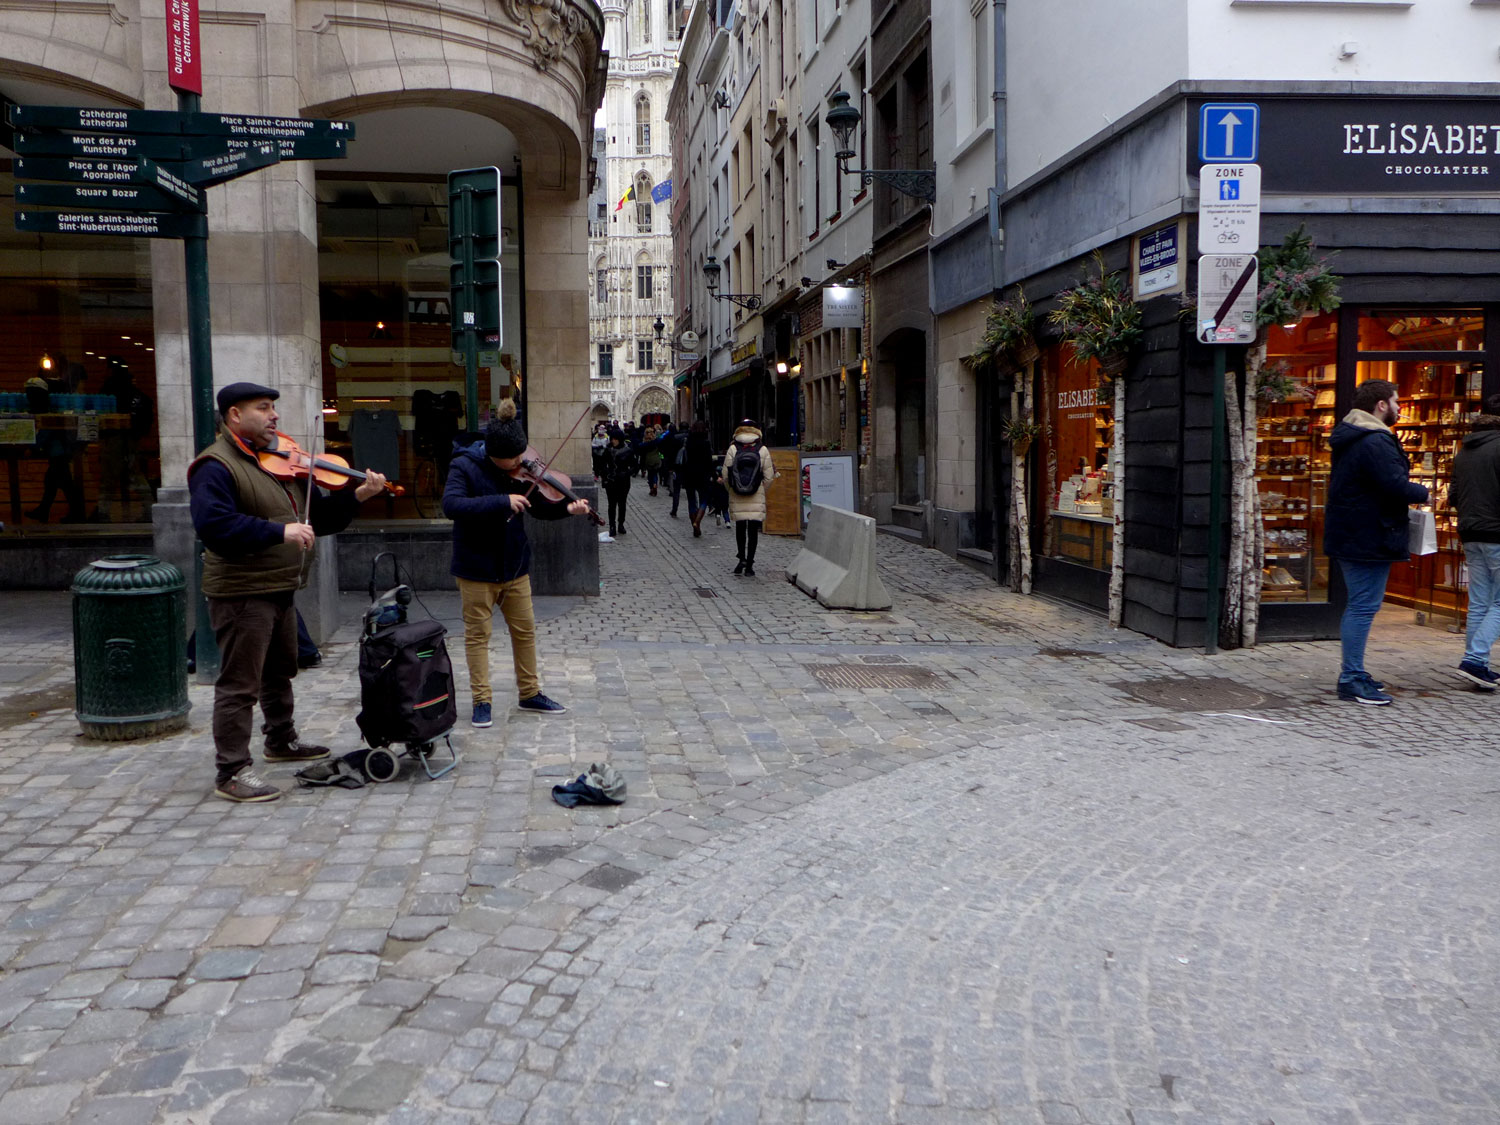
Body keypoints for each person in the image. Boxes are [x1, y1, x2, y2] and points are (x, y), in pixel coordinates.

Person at [189, 381, 389, 802]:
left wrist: (357, 496)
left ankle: (280, 740)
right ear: (234, 416)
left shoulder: (280, 461)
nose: (274, 416)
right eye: (263, 408)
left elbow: (320, 521)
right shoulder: (215, 466)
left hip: (280, 586)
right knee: (239, 684)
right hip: (243, 591)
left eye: (273, 409)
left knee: (280, 670)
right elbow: (215, 528)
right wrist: (280, 531)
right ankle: (231, 771)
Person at [442, 397, 590, 728]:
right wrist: (501, 501)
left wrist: (567, 509)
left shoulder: (520, 468)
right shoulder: (463, 466)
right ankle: (482, 700)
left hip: (515, 566)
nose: (522, 463)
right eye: (515, 459)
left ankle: (530, 693)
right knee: (477, 637)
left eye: (523, 455)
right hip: (475, 569)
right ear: (495, 455)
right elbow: (452, 506)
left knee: (525, 633)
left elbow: (538, 506)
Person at [1323, 378, 1429, 705]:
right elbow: (1393, 484)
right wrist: (1423, 492)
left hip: (1358, 531)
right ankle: (1352, 678)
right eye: (1396, 402)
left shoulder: (1354, 436)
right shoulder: (1374, 440)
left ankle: (1354, 672)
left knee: (1362, 605)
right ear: (1381, 405)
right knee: (1363, 606)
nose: (1399, 408)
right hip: (1368, 534)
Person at [1448, 393, 1500, 690]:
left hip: (1470, 531)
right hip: (1496, 532)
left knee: (1480, 601)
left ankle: (1478, 666)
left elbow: (1453, 494)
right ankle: (1474, 659)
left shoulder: (1464, 450)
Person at [722, 418, 776, 576]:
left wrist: (732, 489)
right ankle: (750, 564)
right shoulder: (762, 449)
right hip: (756, 494)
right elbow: (769, 476)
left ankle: (741, 560)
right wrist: (759, 489)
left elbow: (725, 475)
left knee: (740, 528)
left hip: (737, 494)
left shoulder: (733, 448)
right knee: (753, 530)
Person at [596, 425, 638, 538]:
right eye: (612, 439)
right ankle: (612, 526)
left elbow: (634, 466)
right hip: (611, 480)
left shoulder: (627, 451)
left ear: (620, 439)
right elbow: (602, 465)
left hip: (623, 481)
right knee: (612, 504)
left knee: (622, 503)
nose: (613, 441)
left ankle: (621, 524)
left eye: (615, 439)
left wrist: (627, 473)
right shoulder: (608, 450)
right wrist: (604, 476)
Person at [679, 420, 716, 537]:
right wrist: (714, 475)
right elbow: (709, 461)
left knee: (691, 501)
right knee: (704, 499)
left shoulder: (688, 441)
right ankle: (697, 522)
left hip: (689, 474)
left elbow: (685, 459)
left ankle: (695, 525)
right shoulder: (706, 443)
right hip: (703, 474)